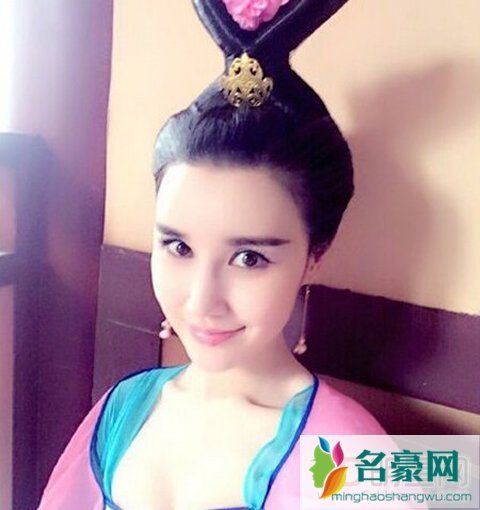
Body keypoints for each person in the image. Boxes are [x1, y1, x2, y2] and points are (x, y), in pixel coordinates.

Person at [38, 0, 387, 509]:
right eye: (178, 247)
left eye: (249, 258)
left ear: (315, 254)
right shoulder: (122, 409)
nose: (202, 301)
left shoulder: (349, 454)